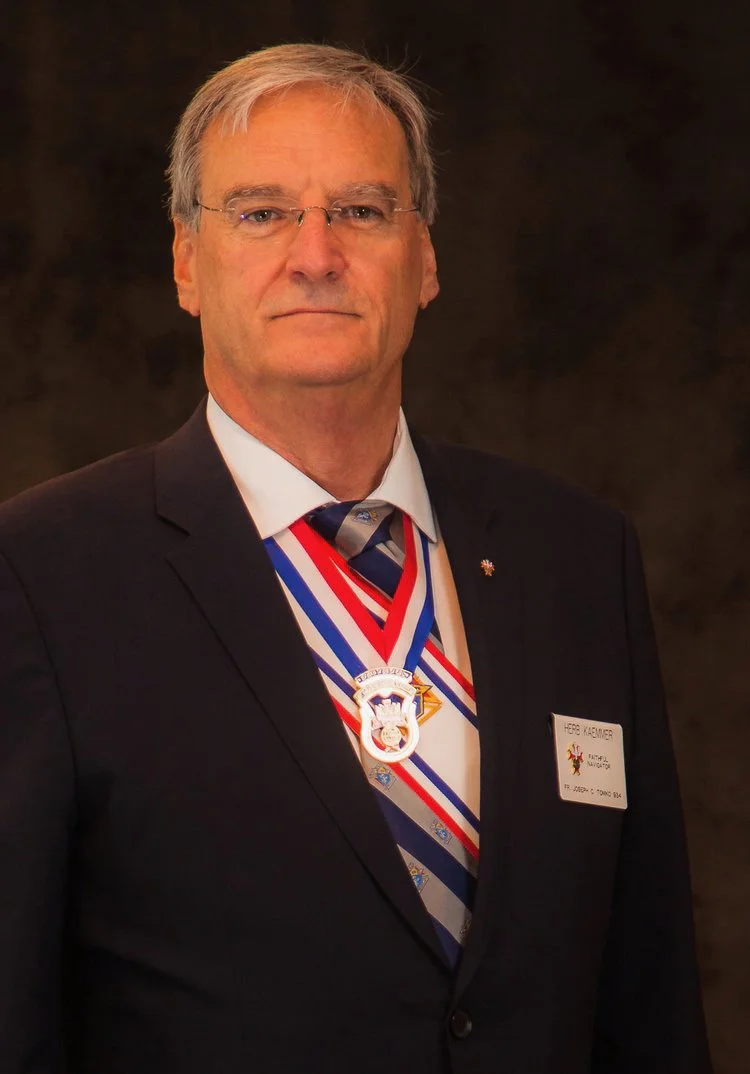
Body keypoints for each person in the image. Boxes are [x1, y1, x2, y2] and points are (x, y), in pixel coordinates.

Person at [0, 43, 712, 1074]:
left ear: (425, 260)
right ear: (187, 263)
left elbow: (650, 998)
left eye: (363, 210)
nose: (316, 254)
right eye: (261, 213)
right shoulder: (38, 576)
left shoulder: (577, 558)